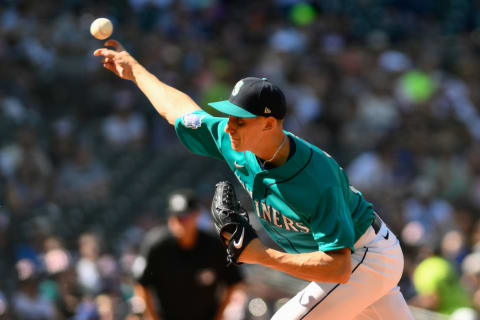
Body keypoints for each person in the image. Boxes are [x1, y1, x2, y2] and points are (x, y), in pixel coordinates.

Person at [94, 40, 413, 319]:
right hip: (354, 264)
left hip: (362, 256)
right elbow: (178, 111)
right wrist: (135, 70)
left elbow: (338, 267)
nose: (229, 126)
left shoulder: (318, 177)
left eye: (240, 120)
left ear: (268, 124)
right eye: (229, 116)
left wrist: (262, 256)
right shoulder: (233, 140)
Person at [132, 189, 245, 320]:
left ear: (196, 215)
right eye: (176, 216)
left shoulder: (214, 246)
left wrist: (219, 316)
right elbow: (142, 285)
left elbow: (234, 282)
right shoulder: (156, 245)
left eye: (185, 216)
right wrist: (153, 318)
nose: (181, 222)